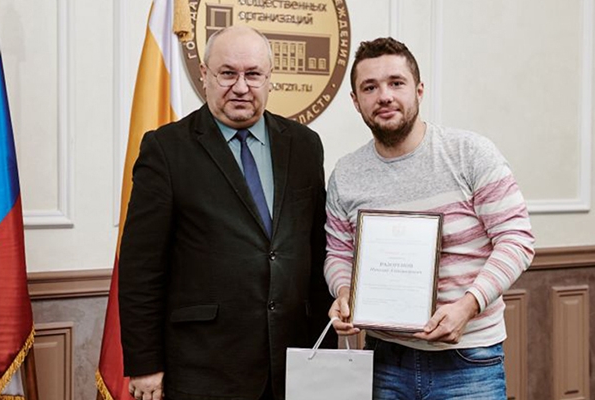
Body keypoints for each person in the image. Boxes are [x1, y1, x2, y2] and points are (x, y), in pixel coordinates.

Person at [118, 25, 335, 400]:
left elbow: (317, 249)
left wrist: (326, 349)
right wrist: (145, 364)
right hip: (204, 368)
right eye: (228, 73)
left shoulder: (304, 145)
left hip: (294, 361)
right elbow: (141, 268)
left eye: (253, 74)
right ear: (205, 75)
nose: (241, 87)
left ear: (269, 79)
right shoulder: (166, 149)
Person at [324, 37, 535, 399]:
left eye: (396, 83)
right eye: (370, 87)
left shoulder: (470, 153)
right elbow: (339, 254)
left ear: (419, 90)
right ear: (356, 101)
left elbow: (517, 239)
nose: (384, 96)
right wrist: (345, 293)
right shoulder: (346, 174)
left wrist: (467, 306)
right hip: (383, 360)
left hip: (469, 360)